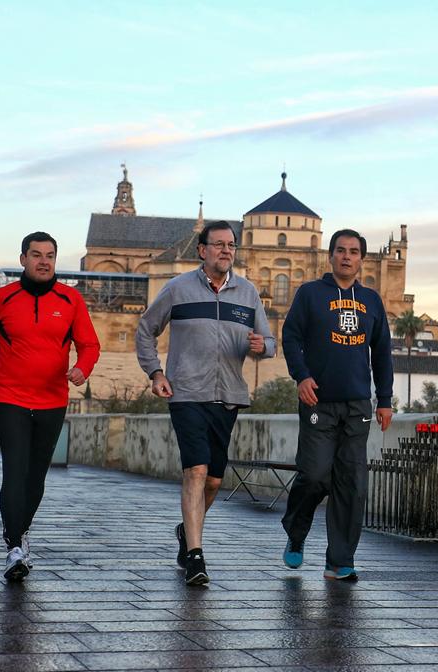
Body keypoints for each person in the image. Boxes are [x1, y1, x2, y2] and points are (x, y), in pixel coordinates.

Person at [0, 231, 100, 581]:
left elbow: (90, 345)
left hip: (53, 399)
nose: (44, 261)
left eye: (50, 255)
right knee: (15, 470)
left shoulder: (71, 299)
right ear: (23, 259)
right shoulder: (2, 299)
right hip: (10, 398)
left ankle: (20, 532)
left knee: (36, 476)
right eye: (36, 254)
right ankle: (14, 546)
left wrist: (82, 368)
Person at [136, 220, 275, 586]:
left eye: (231, 245)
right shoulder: (177, 289)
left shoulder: (247, 293)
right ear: (202, 250)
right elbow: (145, 328)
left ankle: (187, 531)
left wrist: (263, 347)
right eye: (218, 245)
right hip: (185, 393)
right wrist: (155, 373)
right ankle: (196, 556)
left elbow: (270, 342)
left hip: (228, 396)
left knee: (214, 480)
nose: (226, 250)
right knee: (195, 472)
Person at [280, 228, 393, 581]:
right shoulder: (311, 294)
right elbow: (291, 336)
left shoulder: (372, 301)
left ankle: (339, 560)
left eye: (354, 252)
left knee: (351, 483)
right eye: (341, 250)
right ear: (330, 256)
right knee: (313, 475)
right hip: (319, 401)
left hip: (358, 404)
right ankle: (296, 531)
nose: (347, 257)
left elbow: (383, 353)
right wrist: (301, 376)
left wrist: (385, 400)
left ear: (362, 258)